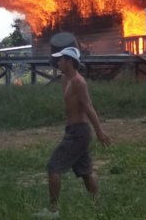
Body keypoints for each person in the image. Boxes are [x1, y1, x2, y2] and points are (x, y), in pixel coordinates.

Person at [35, 47, 113, 218]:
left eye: (61, 60)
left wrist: (99, 131)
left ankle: (53, 210)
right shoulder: (65, 79)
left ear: (69, 61)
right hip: (74, 130)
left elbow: (88, 107)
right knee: (85, 172)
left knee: (53, 167)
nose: (58, 62)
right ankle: (97, 206)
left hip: (79, 132)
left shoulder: (79, 82)